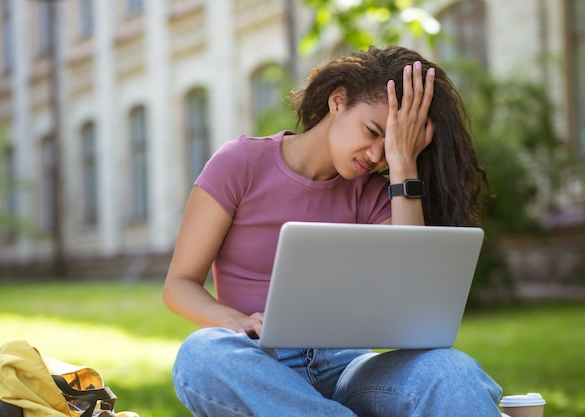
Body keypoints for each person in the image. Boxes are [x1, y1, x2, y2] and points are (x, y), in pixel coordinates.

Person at [163, 45, 503, 417]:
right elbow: (179, 284)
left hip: (348, 369)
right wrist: (235, 322)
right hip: (260, 363)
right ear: (338, 101)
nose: (375, 156)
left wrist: (404, 165)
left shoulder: (377, 194)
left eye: (388, 146)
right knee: (200, 355)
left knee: (451, 371)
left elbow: (410, 292)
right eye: (373, 132)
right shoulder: (239, 164)